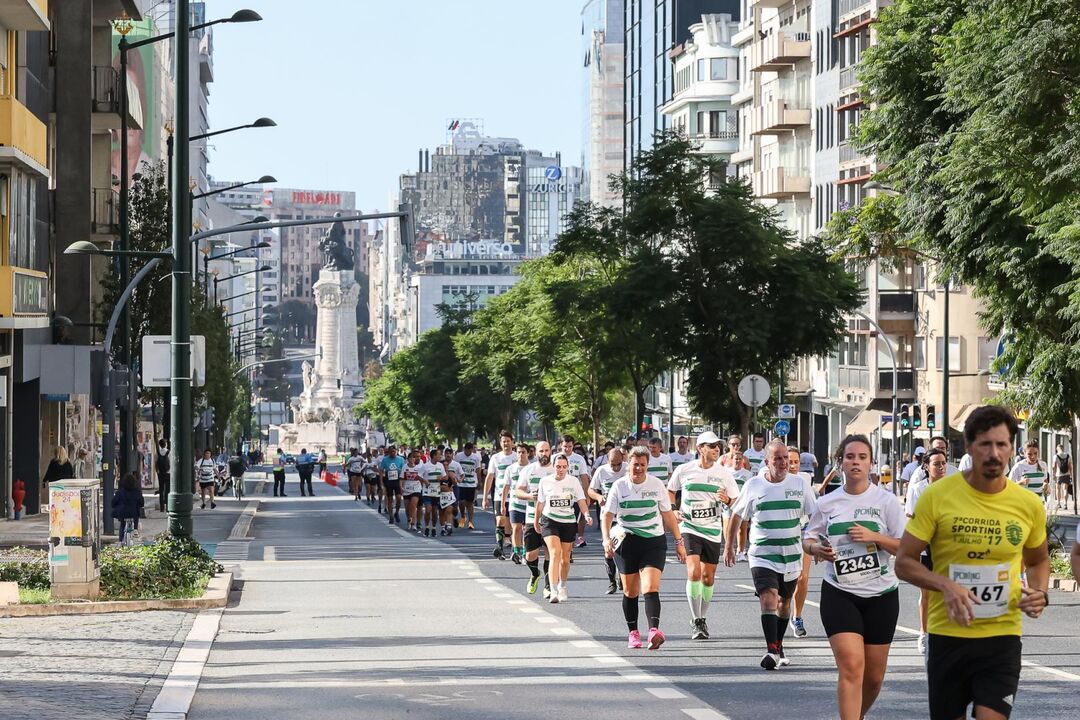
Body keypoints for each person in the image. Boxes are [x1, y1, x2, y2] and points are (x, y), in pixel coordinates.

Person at [896, 405, 1050, 720]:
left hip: (1002, 637)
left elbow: (1038, 560)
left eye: (1002, 444)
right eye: (985, 444)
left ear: (1012, 448)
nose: (994, 453)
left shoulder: (1028, 504)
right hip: (948, 636)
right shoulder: (937, 496)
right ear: (968, 447)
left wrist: (1040, 592)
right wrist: (944, 585)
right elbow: (904, 561)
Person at [802, 434, 904, 719]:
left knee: (873, 678)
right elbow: (808, 539)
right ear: (840, 463)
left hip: (882, 595)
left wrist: (875, 537)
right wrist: (816, 549)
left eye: (862, 457)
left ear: (871, 463)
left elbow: (905, 546)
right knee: (851, 666)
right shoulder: (827, 502)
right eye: (850, 457)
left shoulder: (887, 502)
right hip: (840, 592)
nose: (856, 462)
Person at [725, 439, 817, 670]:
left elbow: (815, 516)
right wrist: (729, 547)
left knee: (784, 603)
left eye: (785, 458)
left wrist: (815, 543)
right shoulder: (754, 485)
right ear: (767, 461)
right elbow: (737, 515)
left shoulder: (800, 484)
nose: (783, 462)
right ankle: (771, 649)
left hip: (791, 554)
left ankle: (778, 644)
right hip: (762, 554)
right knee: (769, 597)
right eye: (778, 458)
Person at [603, 445, 686, 650]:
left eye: (642, 464)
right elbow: (607, 516)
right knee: (631, 591)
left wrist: (679, 541)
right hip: (627, 542)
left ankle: (653, 631)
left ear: (647, 465)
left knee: (650, 587)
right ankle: (633, 633)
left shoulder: (656, 485)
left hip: (653, 542)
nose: (638, 468)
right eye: (635, 464)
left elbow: (668, 515)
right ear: (628, 464)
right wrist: (606, 540)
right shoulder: (619, 486)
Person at [666, 431, 738, 640]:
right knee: (694, 572)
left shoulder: (724, 473)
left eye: (718, 446)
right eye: (712, 445)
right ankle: (696, 619)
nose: (717, 449)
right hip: (689, 526)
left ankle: (702, 617)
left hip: (712, 529)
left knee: (708, 578)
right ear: (700, 448)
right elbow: (670, 491)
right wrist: (674, 509)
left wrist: (727, 501)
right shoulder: (684, 470)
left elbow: (737, 500)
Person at [906, 448, 950, 655]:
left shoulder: (953, 488)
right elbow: (912, 517)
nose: (941, 467)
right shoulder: (918, 489)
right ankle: (924, 633)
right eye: (936, 464)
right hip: (926, 548)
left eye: (943, 463)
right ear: (926, 466)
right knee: (927, 593)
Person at [535, 454, 592, 603]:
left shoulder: (573, 481)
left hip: (568, 521)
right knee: (555, 553)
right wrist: (536, 521)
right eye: (558, 467)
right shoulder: (545, 481)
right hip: (549, 520)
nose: (561, 470)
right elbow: (540, 503)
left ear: (568, 468)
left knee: (565, 559)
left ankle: (562, 586)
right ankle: (553, 589)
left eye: (564, 467)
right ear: (553, 467)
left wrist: (586, 514)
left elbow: (581, 500)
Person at [516, 441, 555, 598]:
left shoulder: (556, 469)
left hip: (551, 519)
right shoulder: (528, 470)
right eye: (541, 451)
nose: (544, 454)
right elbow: (518, 491)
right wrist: (529, 496)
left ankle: (548, 586)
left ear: (550, 451)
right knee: (530, 556)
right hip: (532, 518)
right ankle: (535, 573)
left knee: (550, 553)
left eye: (546, 450)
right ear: (536, 452)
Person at [588, 447, 628, 594]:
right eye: (613, 465)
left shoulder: (628, 469)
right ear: (607, 461)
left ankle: (623, 576)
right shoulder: (602, 471)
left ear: (623, 460)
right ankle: (612, 582)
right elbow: (591, 490)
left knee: (624, 549)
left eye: (619, 464)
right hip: (608, 516)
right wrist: (599, 497)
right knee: (609, 549)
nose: (616, 468)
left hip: (625, 516)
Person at [484, 431, 517, 559]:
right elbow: (490, 477)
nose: (506, 444)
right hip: (499, 495)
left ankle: (515, 549)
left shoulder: (517, 456)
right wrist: (485, 497)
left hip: (514, 496)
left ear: (512, 442)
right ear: (500, 442)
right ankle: (500, 548)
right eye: (504, 441)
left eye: (508, 441)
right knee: (500, 520)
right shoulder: (495, 458)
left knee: (513, 523)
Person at [556, 435, 590, 549]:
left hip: (574, 496)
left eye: (570, 446)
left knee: (571, 521)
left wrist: (586, 495)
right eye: (565, 446)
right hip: (557, 496)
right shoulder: (554, 458)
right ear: (561, 445)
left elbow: (584, 477)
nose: (567, 449)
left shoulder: (579, 459)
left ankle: (569, 544)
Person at [503, 443, 533, 564]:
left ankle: (525, 552)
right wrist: (503, 504)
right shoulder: (510, 469)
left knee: (526, 530)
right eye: (519, 452)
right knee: (516, 528)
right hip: (515, 503)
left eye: (523, 452)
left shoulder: (532, 468)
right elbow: (506, 487)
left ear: (528, 453)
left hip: (529, 504)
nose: (521, 455)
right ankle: (517, 552)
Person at [453, 442, 482, 529]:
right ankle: (463, 516)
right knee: (461, 502)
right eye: (467, 451)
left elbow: (478, 470)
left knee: (470, 503)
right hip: (461, 482)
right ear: (464, 449)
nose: (469, 453)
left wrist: (479, 482)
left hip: (471, 483)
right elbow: (455, 468)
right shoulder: (458, 456)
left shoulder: (476, 458)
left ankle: (470, 521)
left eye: (470, 451)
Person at [420, 448, 447, 537]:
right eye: (439, 455)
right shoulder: (425, 466)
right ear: (434, 456)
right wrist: (425, 481)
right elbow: (418, 476)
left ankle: (434, 528)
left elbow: (445, 477)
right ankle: (427, 527)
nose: (440, 456)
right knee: (428, 510)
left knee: (435, 512)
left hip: (436, 492)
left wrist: (441, 478)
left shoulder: (440, 465)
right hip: (427, 492)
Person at [112, 472, 145, 543]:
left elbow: (113, 503)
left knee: (122, 525)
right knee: (136, 513)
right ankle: (135, 529)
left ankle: (121, 541)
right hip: (134, 514)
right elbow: (141, 503)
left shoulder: (120, 492)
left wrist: (116, 506)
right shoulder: (137, 492)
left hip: (123, 514)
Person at [380, 445, 406, 524]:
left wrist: (403, 483)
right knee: (390, 499)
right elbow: (381, 470)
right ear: (389, 452)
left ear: (396, 451)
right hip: (389, 481)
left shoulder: (400, 459)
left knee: (398, 498)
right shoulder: (385, 460)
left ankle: (396, 512)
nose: (393, 453)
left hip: (397, 480)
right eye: (391, 452)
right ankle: (391, 517)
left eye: (394, 452)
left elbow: (404, 471)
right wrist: (381, 482)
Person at [402, 450, 424, 532]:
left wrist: (424, 487)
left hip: (417, 489)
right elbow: (402, 478)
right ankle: (409, 520)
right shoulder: (405, 466)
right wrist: (401, 487)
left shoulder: (421, 465)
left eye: (419, 457)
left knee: (417, 506)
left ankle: (417, 522)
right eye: (416, 456)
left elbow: (423, 477)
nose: (418, 458)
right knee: (408, 507)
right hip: (407, 489)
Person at [1052, 445, 1073, 510]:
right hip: (1067, 474)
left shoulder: (1056, 456)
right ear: (1063, 448)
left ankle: (1058, 503)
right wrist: (1071, 475)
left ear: (1057, 449)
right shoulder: (1068, 456)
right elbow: (1070, 466)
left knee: (1058, 489)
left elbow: (1054, 466)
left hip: (1058, 475)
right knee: (1065, 489)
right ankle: (1065, 504)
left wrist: (1053, 474)